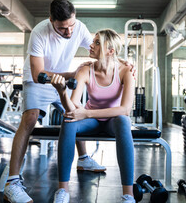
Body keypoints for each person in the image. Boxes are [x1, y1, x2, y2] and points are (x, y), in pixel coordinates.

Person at [3, 0, 106, 203]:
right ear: (51, 20)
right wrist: (72, 74)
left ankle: (84, 159)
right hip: (38, 81)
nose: (68, 33)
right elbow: (37, 73)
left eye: (71, 26)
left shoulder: (80, 28)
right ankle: (12, 183)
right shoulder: (39, 32)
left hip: (62, 78)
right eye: (62, 28)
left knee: (74, 114)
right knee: (30, 119)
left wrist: (123, 64)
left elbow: (100, 51)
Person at [51, 29, 136, 203]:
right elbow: (72, 108)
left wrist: (87, 112)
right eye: (93, 41)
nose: (91, 45)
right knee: (68, 120)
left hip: (113, 121)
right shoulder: (85, 70)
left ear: (110, 50)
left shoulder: (125, 71)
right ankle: (62, 191)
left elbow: (125, 109)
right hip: (92, 122)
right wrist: (62, 93)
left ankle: (128, 195)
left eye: (97, 42)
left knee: (123, 120)